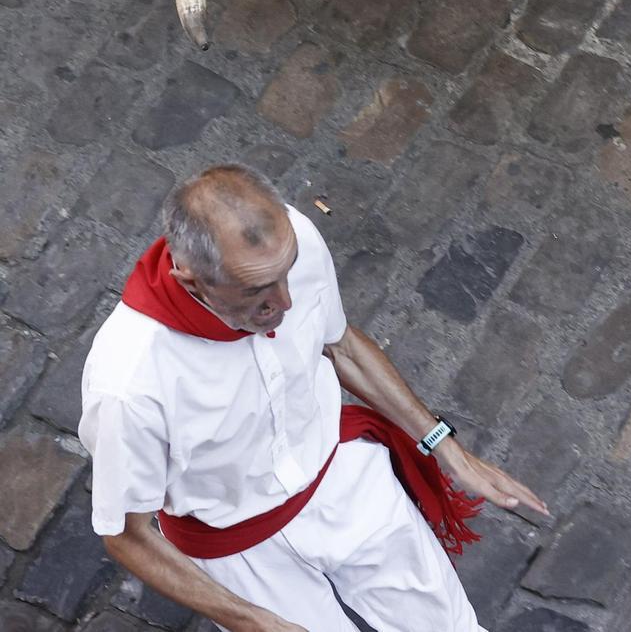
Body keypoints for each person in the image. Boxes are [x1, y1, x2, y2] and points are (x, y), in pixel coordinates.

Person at [79, 163, 548, 632]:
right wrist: (252, 620)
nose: (284, 301)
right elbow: (128, 535)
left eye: (286, 274)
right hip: (238, 548)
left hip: (343, 479)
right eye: (256, 290)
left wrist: (445, 446)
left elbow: (339, 344)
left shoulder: (292, 240)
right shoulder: (129, 384)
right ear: (189, 279)